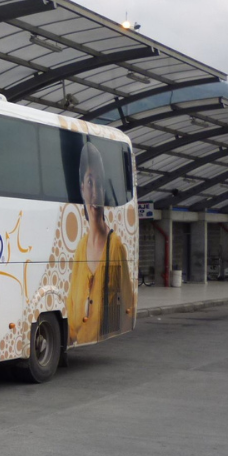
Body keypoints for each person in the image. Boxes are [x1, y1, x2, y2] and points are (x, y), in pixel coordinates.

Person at [66, 142, 134, 345]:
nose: (95, 192)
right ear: (82, 189)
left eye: (99, 184)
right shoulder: (80, 249)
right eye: (89, 183)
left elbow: (127, 309)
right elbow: (71, 317)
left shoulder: (116, 247)